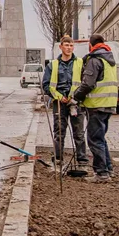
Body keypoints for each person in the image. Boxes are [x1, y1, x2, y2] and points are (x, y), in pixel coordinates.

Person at [72, 33, 119, 182]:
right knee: (101, 138)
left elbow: (88, 84)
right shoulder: (109, 59)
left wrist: (76, 97)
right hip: (108, 104)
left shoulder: (95, 60)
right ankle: (108, 169)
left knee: (94, 139)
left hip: (96, 106)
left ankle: (101, 174)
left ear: (90, 45)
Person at [42, 35, 89, 169]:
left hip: (75, 102)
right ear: (61, 47)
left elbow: (85, 82)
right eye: (66, 45)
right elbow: (46, 85)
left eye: (71, 45)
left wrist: (76, 96)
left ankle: (82, 160)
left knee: (78, 132)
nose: (69, 48)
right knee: (59, 131)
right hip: (60, 103)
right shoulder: (53, 65)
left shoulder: (80, 63)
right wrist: (58, 96)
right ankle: (58, 158)